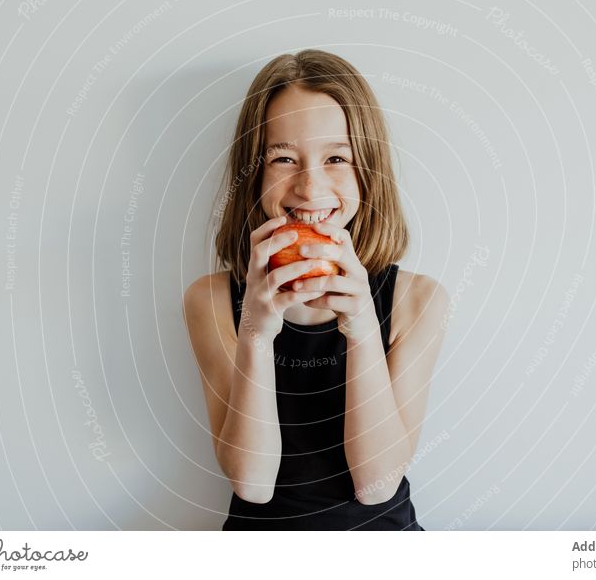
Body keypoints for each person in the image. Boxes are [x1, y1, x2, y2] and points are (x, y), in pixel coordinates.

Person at [183, 49, 449, 530]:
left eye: (336, 158)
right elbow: (253, 483)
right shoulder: (210, 300)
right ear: (255, 172)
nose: (310, 187)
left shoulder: (418, 301)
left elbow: (376, 485)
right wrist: (257, 337)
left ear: (368, 171)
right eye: (283, 158)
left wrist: (364, 330)